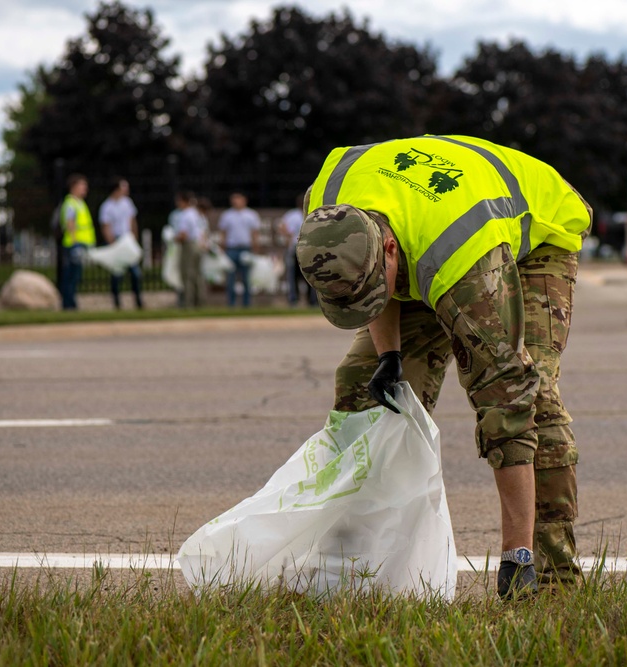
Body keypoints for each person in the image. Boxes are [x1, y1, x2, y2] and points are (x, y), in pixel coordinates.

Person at [296, 135, 591, 599]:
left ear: (390, 249)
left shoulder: (461, 256)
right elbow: (378, 288)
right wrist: (390, 356)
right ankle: (355, 562)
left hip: (533, 243)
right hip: (420, 233)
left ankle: (548, 577)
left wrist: (516, 552)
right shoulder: (327, 206)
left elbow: (505, 393)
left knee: (532, 400)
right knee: (360, 384)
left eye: (374, 289)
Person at [98, 177, 143, 310]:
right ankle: (117, 301)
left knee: (135, 273)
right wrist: (112, 243)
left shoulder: (127, 203)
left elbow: (132, 220)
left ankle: (138, 300)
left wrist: (134, 237)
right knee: (117, 273)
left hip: (127, 239)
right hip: (117, 240)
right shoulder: (107, 206)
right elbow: (106, 225)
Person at [217, 192, 262, 307]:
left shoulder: (251, 215)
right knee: (231, 278)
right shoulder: (227, 215)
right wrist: (222, 249)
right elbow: (223, 233)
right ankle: (231, 304)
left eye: (238, 199)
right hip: (231, 249)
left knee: (246, 278)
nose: (236, 201)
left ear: (244, 200)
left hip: (245, 248)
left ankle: (247, 304)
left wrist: (255, 248)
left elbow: (255, 233)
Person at [59, 173, 96, 310]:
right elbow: (70, 224)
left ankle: (71, 303)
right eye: (82, 185)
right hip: (74, 245)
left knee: (75, 276)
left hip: (80, 244)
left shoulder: (80, 203)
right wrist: (75, 243)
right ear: (73, 186)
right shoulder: (71, 203)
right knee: (71, 276)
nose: (85, 188)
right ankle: (68, 304)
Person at [278, 194, 319, 308]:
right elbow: (281, 226)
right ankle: (293, 299)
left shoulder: (313, 213)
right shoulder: (293, 215)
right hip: (295, 248)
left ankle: (312, 300)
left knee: (310, 275)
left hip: (309, 250)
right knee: (293, 275)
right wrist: (288, 236)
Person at [171, 190, 209, 308]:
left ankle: (189, 303)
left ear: (184, 201)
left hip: (189, 245)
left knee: (187, 275)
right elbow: (203, 231)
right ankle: (201, 302)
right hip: (199, 245)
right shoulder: (196, 214)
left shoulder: (185, 214)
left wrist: (173, 239)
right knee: (198, 275)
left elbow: (184, 234)